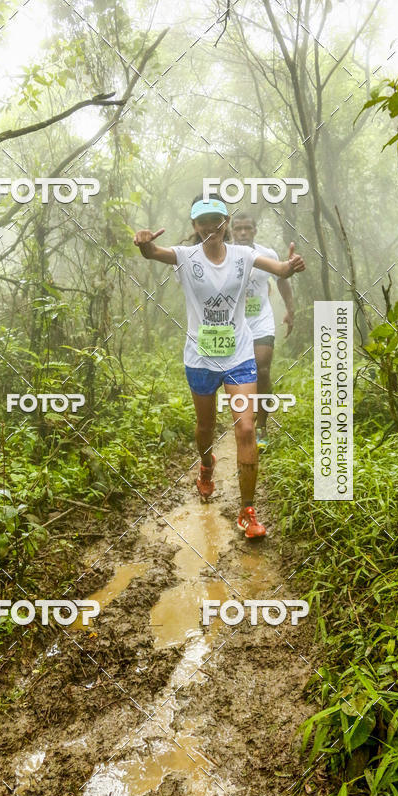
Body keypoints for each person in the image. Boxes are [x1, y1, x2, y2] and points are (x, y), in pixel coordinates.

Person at [133, 194, 305, 539]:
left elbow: (279, 270)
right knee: (205, 428)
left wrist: (290, 266)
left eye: (217, 220)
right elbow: (153, 253)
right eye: (203, 222)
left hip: (239, 356)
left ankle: (247, 512)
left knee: (244, 429)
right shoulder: (185, 256)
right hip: (200, 359)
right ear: (195, 227)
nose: (211, 227)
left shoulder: (244, 255)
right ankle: (207, 465)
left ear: (225, 224)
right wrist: (143, 243)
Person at [231, 213, 296, 452]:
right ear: (231, 231)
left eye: (248, 228)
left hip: (261, 322)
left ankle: (262, 426)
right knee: (233, 374)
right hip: (232, 325)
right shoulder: (223, 254)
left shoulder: (267, 254)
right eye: (238, 229)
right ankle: (241, 419)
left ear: (255, 231)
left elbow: (281, 279)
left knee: (263, 368)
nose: (243, 233)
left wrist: (290, 310)